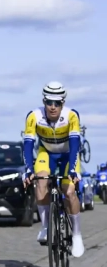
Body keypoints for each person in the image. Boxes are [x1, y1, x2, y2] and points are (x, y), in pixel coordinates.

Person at [23, 81, 84, 257]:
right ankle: (45, 226)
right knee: (40, 182)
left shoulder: (71, 116)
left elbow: (74, 145)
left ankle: (77, 235)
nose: (52, 107)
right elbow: (27, 144)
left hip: (67, 155)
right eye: (49, 102)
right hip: (46, 154)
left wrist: (73, 170)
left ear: (62, 103)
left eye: (57, 103)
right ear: (44, 101)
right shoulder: (34, 116)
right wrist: (28, 170)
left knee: (70, 191)